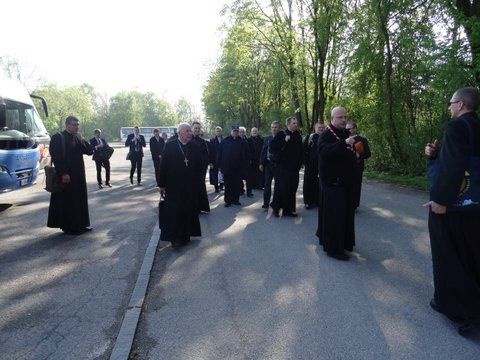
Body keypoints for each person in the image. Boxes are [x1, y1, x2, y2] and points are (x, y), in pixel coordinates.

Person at [424, 87, 480, 336]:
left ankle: (460, 310)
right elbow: (461, 158)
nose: (449, 107)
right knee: (473, 254)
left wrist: (439, 200)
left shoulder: (456, 127)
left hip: (455, 205)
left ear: (460, 105)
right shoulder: (475, 126)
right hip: (475, 205)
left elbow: (454, 166)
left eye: (451, 102)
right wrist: (436, 154)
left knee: (450, 254)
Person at [316, 107, 356, 261]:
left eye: (345, 117)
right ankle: (333, 249)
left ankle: (343, 244)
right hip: (332, 183)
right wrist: (344, 143)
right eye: (340, 117)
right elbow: (325, 152)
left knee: (344, 216)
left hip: (345, 183)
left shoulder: (344, 133)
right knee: (335, 217)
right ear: (332, 118)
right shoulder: (326, 134)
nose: (344, 120)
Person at [47, 116, 93, 235]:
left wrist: (82, 139)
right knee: (68, 201)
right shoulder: (58, 137)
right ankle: (70, 227)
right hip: (67, 175)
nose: (77, 127)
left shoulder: (77, 138)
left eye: (78, 125)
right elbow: (56, 157)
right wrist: (64, 173)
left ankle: (81, 225)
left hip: (79, 175)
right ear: (67, 125)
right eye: (74, 125)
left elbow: (89, 151)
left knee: (80, 200)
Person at [159, 123, 202, 248]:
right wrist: (161, 185)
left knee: (187, 210)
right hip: (173, 187)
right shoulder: (170, 145)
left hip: (190, 186)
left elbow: (200, 166)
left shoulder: (194, 146)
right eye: (187, 131)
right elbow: (163, 166)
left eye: (190, 131)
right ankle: (175, 238)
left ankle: (185, 235)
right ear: (179, 133)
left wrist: (198, 182)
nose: (190, 133)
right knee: (174, 212)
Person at [269, 117, 303, 217]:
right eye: (294, 123)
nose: (296, 124)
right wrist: (284, 141)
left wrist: (301, 162)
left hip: (294, 168)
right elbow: (272, 147)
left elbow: (300, 150)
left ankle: (288, 211)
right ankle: (276, 209)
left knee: (292, 189)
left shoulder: (298, 135)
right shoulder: (282, 134)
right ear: (288, 124)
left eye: (296, 123)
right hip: (282, 168)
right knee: (281, 188)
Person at [218, 125, 249, 207]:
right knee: (228, 185)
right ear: (231, 131)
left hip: (238, 167)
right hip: (227, 167)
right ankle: (228, 201)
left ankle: (236, 200)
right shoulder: (225, 141)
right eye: (234, 131)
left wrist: (246, 165)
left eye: (237, 131)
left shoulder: (243, 141)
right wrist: (219, 165)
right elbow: (219, 153)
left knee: (237, 184)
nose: (235, 132)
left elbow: (246, 154)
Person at [346, 120, 371, 209]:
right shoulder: (344, 139)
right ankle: (346, 204)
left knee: (356, 186)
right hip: (345, 168)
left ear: (355, 129)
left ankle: (354, 205)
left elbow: (368, 153)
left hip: (357, 167)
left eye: (350, 128)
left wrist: (359, 155)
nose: (348, 130)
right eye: (346, 128)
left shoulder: (362, 140)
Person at [303, 123, 325, 209]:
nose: (321, 129)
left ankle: (317, 201)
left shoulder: (325, 137)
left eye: (323, 128)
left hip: (322, 165)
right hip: (310, 165)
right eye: (319, 127)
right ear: (315, 128)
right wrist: (305, 162)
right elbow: (304, 149)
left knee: (319, 183)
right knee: (308, 183)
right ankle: (307, 201)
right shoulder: (310, 137)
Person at [259, 121, 280, 210]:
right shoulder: (267, 138)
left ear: (279, 128)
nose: (274, 129)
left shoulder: (282, 138)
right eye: (272, 127)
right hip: (268, 165)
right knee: (267, 185)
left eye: (275, 127)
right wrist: (261, 163)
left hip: (278, 165)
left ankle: (275, 204)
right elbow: (263, 151)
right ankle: (266, 204)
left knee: (277, 186)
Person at [191, 121, 211, 212]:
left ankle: (200, 208)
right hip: (189, 170)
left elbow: (206, 155)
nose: (197, 130)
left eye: (198, 128)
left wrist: (204, 166)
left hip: (200, 170)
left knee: (200, 188)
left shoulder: (202, 141)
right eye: (195, 128)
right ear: (192, 129)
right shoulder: (188, 139)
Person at [246, 127, 264, 196]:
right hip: (252, 160)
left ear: (258, 132)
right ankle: (253, 186)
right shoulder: (248, 140)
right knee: (252, 174)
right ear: (251, 132)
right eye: (253, 131)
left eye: (255, 131)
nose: (254, 132)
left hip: (259, 159)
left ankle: (260, 186)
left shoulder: (261, 139)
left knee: (260, 173)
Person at [209, 126, 224, 193]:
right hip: (214, 160)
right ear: (215, 132)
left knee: (222, 173)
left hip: (223, 160)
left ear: (221, 132)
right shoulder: (212, 140)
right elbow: (210, 152)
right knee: (215, 174)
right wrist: (210, 162)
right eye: (217, 131)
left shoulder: (225, 139)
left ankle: (221, 186)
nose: (218, 132)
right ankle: (216, 187)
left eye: (219, 131)